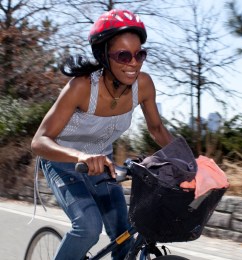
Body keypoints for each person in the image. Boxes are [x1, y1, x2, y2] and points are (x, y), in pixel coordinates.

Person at [31, 9, 173, 260]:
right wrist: (80, 156)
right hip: (62, 164)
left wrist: (189, 162)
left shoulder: (144, 85)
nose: (134, 63)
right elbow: (39, 141)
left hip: (103, 163)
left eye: (140, 54)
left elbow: (157, 129)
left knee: (125, 235)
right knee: (88, 228)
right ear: (104, 56)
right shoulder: (82, 86)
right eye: (123, 56)